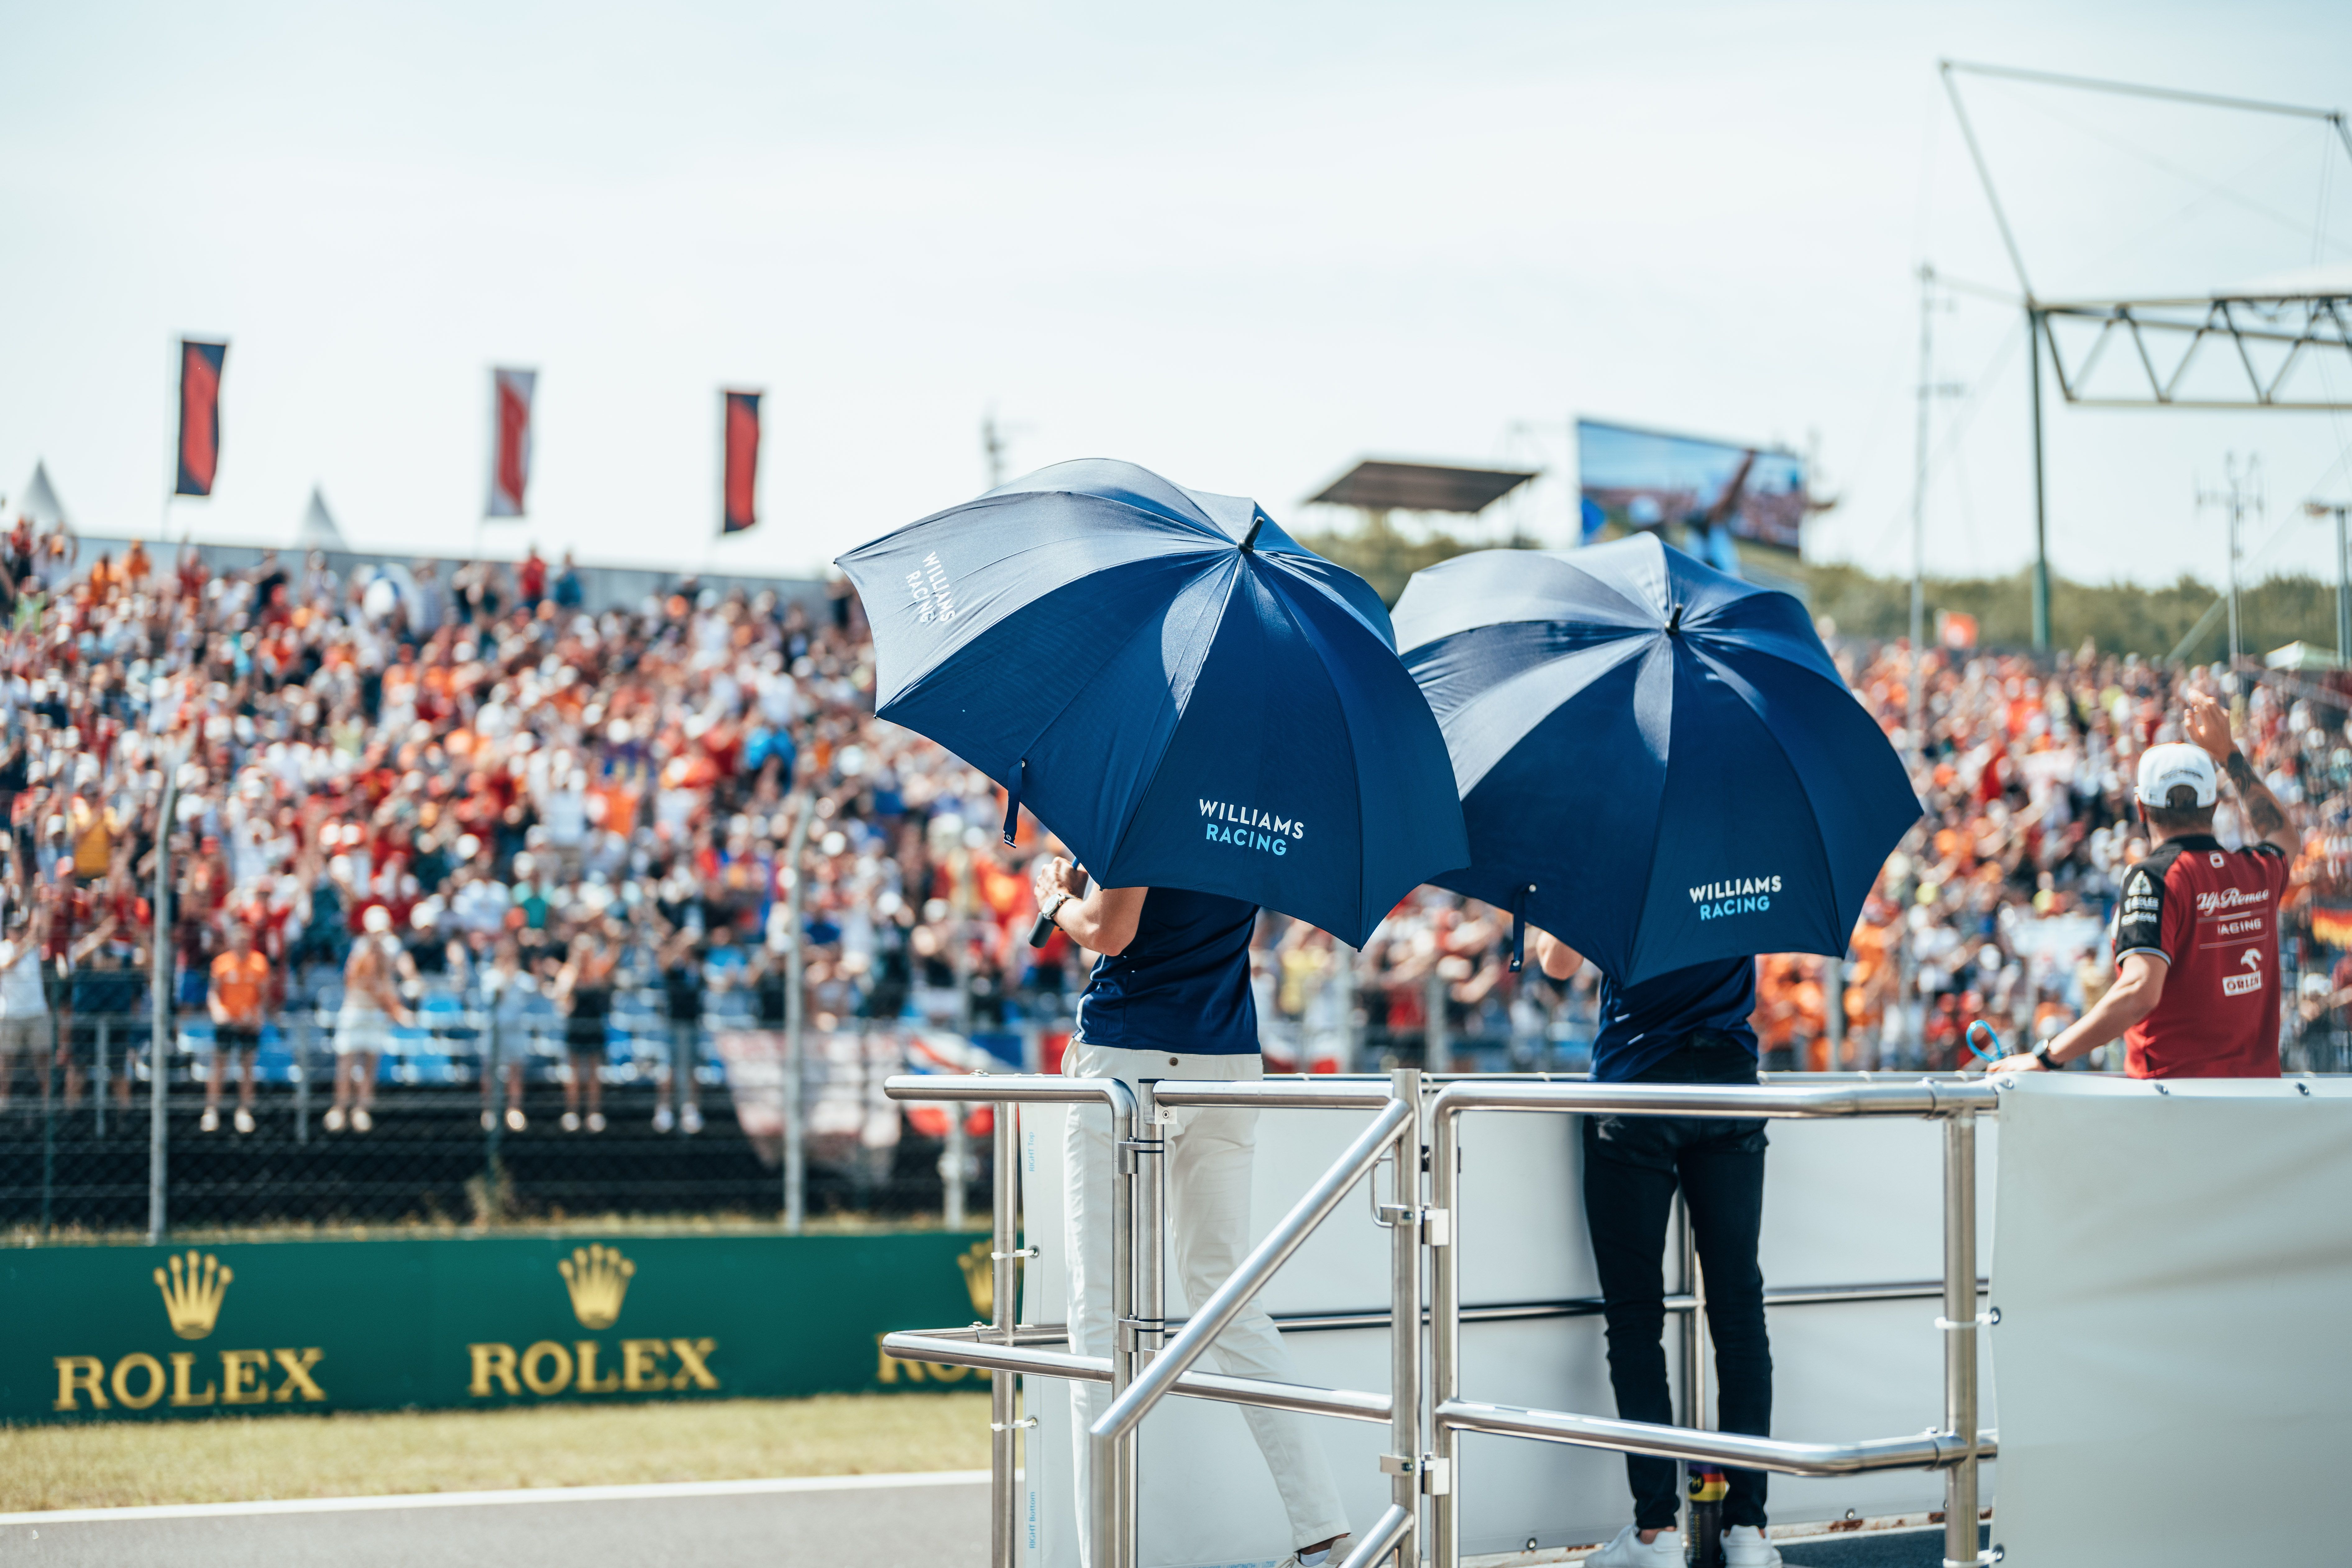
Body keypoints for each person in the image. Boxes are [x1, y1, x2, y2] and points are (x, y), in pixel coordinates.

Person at [1031, 851, 1351, 1568]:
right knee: (1227, 1294)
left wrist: (1054, 897)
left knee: (1099, 1312)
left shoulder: (1148, 784)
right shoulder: (1253, 794)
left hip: (1127, 1054)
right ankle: (1325, 1531)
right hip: (1227, 1054)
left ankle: (1102, 1554)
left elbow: (1109, 931)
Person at [1529, 926, 1781, 1568]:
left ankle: (1655, 1534)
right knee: (1737, 1308)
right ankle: (1747, 1532)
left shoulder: (1613, 838)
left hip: (1637, 1082)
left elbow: (1555, 965)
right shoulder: (1743, 835)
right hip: (1727, 1080)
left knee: (1636, 1317)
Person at [1994, 692, 2296, 1080]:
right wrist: (2228, 754)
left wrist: (2045, 1057)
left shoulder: (2153, 877)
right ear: (2215, 806)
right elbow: (2284, 836)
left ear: (2141, 807)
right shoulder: (2258, 870)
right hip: (2258, 1103)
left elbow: (2140, 990)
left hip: (2172, 1105)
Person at [330, 905, 412, 1133]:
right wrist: (394, 1009)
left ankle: (361, 1109)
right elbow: (359, 982)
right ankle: (340, 1108)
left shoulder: (391, 949)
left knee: (369, 1063)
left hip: (375, 1013)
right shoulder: (361, 950)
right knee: (346, 1063)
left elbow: (390, 981)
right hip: (357, 1010)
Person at [205, 920, 270, 1134]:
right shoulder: (221, 964)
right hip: (227, 1021)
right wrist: (219, 1012)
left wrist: (256, 1016)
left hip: (248, 1023)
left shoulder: (259, 964)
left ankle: (244, 1110)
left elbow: (263, 996)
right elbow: (214, 993)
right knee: (219, 1065)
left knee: (247, 1066)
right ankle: (212, 1110)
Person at [555, 927, 616, 1132]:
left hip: (594, 1026)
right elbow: (562, 1001)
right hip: (575, 1027)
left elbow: (607, 982)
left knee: (593, 1071)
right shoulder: (568, 973)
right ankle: (572, 1111)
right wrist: (575, 972)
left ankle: (593, 1113)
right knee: (573, 1072)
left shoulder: (599, 970)